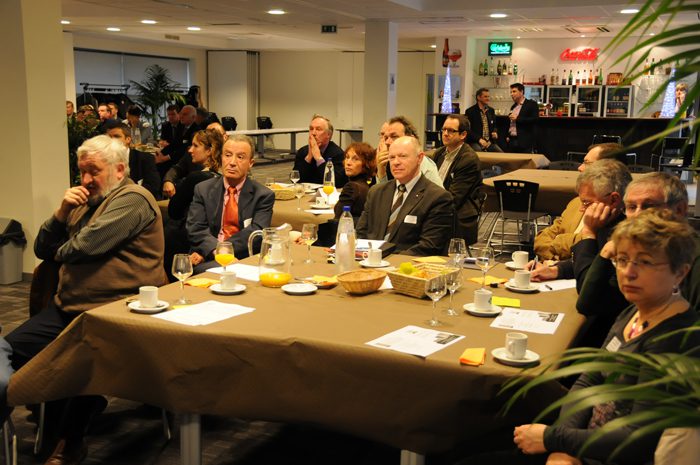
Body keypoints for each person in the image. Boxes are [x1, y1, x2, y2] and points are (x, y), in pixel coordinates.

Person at [2, 134, 167, 465]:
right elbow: (42, 248)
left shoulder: (134, 199)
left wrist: (57, 251)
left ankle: (69, 442)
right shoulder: (82, 201)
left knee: (83, 365)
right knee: (8, 348)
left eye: (94, 171)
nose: (86, 179)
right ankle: (41, 412)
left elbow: (85, 247)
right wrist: (61, 212)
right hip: (70, 307)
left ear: (119, 170)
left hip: (119, 310)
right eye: (82, 172)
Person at [514, 209, 700, 465]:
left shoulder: (676, 339)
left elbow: (637, 441)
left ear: (680, 272)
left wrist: (554, 440)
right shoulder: (633, 312)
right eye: (622, 260)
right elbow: (589, 380)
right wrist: (563, 449)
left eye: (645, 262)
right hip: (582, 445)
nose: (629, 272)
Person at [578, 172, 700, 320]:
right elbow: (588, 305)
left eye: (648, 206)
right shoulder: (636, 251)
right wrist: (605, 253)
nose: (637, 215)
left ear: (679, 209)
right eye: (631, 207)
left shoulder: (694, 259)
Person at [530, 159, 631, 285]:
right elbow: (588, 263)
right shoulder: (603, 219)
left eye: (586, 203)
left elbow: (590, 284)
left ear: (614, 200)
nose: (581, 209)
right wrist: (556, 270)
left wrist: (588, 233)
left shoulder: (629, 233)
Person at [186, 135, 274, 272]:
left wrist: (223, 250)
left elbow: (257, 233)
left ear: (251, 163)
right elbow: (196, 228)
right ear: (221, 158)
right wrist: (216, 251)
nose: (232, 162)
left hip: (243, 257)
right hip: (208, 254)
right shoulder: (203, 189)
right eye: (227, 155)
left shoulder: (263, 195)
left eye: (240, 157)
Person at [356, 136, 454, 256]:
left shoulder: (437, 197)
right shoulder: (376, 192)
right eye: (392, 157)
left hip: (407, 264)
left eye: (403, 156)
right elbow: (361, 233)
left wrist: (387, 261)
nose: (396, 162)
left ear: (420, 158)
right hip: (368, 261)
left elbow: (429, 246)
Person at [533, 143, 624, 261]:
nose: (580, 167)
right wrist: (555, 262)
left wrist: (559, 241)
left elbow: (590, 248)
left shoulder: (616, 216)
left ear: (606, 168)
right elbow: (541, 239)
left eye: (587, 163)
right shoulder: (576, 203)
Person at [166, 129, 223, 280]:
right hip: (211, 239)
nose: (190, 150)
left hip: (186, 239)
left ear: (209, 151)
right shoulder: (223, 179)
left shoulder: (195, 179)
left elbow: (174, 210)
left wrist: (179, 188)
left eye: (195, 146)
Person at [433, 114, 482, 245]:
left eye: (451, 131)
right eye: (444, 129)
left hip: (457, 217)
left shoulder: (468, 159)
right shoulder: (439, 153)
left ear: (463, 135)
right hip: (439, 209)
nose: (445, 134)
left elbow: (454, 198)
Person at [375, 116, 442, 186]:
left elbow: (437, 193)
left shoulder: (425, 166)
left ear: (411, 138)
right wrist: (381, 171)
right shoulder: (387, 161)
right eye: (386, 138)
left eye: (394, 136)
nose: (387, 142)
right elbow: (385, 192)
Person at [104, 121, 161, 199]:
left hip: (138, 199)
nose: (112, 141)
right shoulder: (103, 160)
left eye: (116, 136)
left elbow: (153, 186)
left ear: (128, 139)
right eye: (109, 138)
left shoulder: (144, 158)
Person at [292, 114, 347, 187]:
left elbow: (337, 182)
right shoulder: (302, 151)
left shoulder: (338, 153)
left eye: (318, 129)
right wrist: (309, 157)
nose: (313, 133)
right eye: (311, 129)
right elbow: (295, 179)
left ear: (328, 135)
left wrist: (318, 158)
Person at [158, 104, 198, 193]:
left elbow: (184, 150)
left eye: (185, 114)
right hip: (177, 157)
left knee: (164, 166)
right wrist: (161, 154)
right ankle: (160, 192)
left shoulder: (196, 130)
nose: (181, 116)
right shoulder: (181, 127)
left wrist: (166, 157)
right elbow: (174, 144)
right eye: (181, 113)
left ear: (193, 117)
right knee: (157, 164)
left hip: (187, 160)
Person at [333, 142, 376, 219]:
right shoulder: (364, 185)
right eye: (347, 157)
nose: (348, 163)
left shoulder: (352, 187)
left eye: (355, 159)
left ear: (366, 164)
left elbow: (338, 219)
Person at [464, 88, 502, 152]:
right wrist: (479, 139)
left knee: (501, 154)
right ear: (478, 97)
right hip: (476, 141)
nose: (488, 98)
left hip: (489, 142)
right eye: (485, 96)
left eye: (488, 96)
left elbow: (494, 125)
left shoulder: (491, 110)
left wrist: (495, 132)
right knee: (478, 151)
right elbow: (468, 130)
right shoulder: (470, 111)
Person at [505, 83, 539, 153]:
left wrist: (518, 118)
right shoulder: (513, 106)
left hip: (524, 142)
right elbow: (511, 124)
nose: (511, 94)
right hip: (511, 140)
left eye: (514, 91)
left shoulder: (531, 104)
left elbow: (535, 119)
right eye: (511, 92)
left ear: (521, 92)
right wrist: (508, 135)